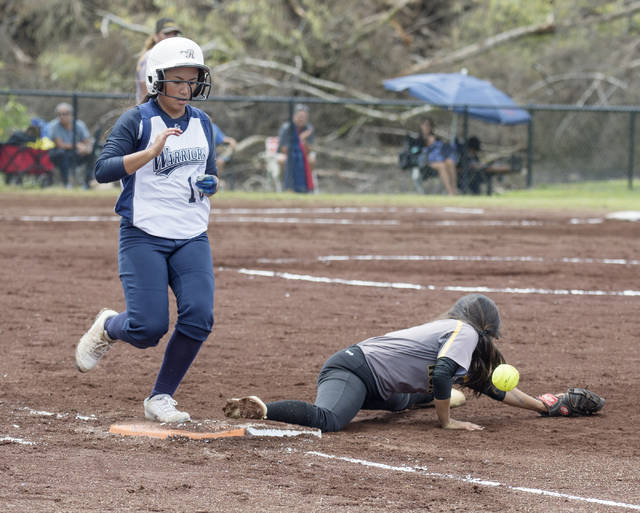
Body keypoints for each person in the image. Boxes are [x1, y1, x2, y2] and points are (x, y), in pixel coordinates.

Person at [76, 37, 218, 424]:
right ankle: (108, 326)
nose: (187, 89)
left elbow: (211, 174)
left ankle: (160, 397)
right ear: (157, 81)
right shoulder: (137, 120)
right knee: (148, 327)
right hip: (144, 235)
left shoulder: (203, 123)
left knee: (199, 316)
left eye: (193, 81)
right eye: (178, 81)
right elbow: (103, 170)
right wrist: (149, 153)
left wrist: (211, 184)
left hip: (191, 234)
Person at [224, 294, 604, 432]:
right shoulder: (463, 331)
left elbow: (491, 386)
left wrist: (545, 406)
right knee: (331, 421)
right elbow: (440, 374)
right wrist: (447, 421)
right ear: (486, 329)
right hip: (353, 369)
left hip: (382, 385)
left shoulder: (459, 337)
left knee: (410, 399)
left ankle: (431, 402)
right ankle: (262, 408)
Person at [135, 17, 182, 104]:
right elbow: (145, 94)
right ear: (156, 37)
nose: (171, 37)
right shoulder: (149, 57)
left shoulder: (175, 57)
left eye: (175, 34)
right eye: (167, 34)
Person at [47, 103, 93, 189]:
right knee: (61, 153)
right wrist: (77, 145)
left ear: (71, 114)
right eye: (59, 114)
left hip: (76, 153)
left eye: (65, 114)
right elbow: (60, 145)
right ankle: (67, 183)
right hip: (59, 154)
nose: (62, 116)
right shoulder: (54, 125)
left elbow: (87, 142)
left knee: (91, 154)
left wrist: (86, 149)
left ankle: (87, 183)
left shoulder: (79, 125)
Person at [277, 103, 316, 193]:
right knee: (283, 160)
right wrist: (300, 138)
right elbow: (283, 149)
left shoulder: (308, 128)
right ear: (294, 116)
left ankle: (306, 187)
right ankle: (286, 186)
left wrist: (304, 143)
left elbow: (309, 150)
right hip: (288, 154)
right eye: (299, 116)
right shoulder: (286, 128)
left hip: (303, 155)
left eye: (304, 116)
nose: (301, 119)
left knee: (311, 160)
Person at [416, 117, 458, 196]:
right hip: (426, 163)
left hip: (439, 159)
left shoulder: (436, 138)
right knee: (441, 165)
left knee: (450, 162)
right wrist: (428, 144)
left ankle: (454, 189)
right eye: (425, 125)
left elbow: (442, 150)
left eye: (429, 125)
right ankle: (450, 192)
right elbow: (416, 151)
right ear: (421, 126)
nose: (427, 127)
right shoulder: (418, 139)